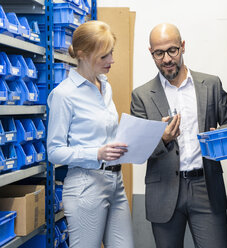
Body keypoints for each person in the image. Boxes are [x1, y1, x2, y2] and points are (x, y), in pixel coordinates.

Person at [130, 23, 227, 248]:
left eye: (172, 50)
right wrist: (163, 139)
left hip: (206, 187)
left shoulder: (209, 85)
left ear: (182, 46)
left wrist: (220, 134)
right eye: (159, 53)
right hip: (163, 191)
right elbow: (138, 151)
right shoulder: (141, 96)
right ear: (151, 53)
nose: (167, 58)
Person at [47, 20, 134, 248]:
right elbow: (54, 152)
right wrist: (97, 153)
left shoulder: (105, 86)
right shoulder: (64, 95)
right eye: (104, 56)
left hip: (116, 181)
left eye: (111, 53)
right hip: (86, 185)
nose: (111, 61)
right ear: (83, 55)